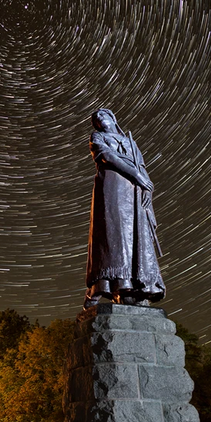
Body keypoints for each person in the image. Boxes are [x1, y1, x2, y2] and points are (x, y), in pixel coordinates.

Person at [84, 108, 165, 308]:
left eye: (103, 115)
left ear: (113, 118)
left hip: (135, 191)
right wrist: (137, 176)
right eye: (96, 119)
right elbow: (107, 156)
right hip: (113, 186)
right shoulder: (97, 137)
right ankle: (114, 283)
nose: (99, 119)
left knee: (137, 234)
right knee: (115, 234)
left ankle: (139, 285)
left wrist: (147, 188)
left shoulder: (130, 142)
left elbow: (142, 167)